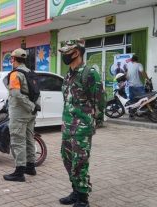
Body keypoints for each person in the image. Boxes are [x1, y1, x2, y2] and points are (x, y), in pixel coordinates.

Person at [58, 40, 105, 207]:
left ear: (77, 52)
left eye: (67, 52)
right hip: (68, 125)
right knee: (67, 157)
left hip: (83, 127)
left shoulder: (89, 73)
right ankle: (76, 190)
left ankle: (83, 198)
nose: (64, 55)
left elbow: (99, 100)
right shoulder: (68, 74)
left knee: (80, 161)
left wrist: (95, 121)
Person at [3, 48, 40, 182]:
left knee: (17, 140)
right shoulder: (30, 72)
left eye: (11, 58)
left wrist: (30, 105)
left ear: (13, 59)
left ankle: (19, 172)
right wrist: (34, 106)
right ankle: (30, 166)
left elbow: (16, 95)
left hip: (19, 112)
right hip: (31, 113)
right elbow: (37, 93)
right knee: (29, 139)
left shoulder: (15, 74)